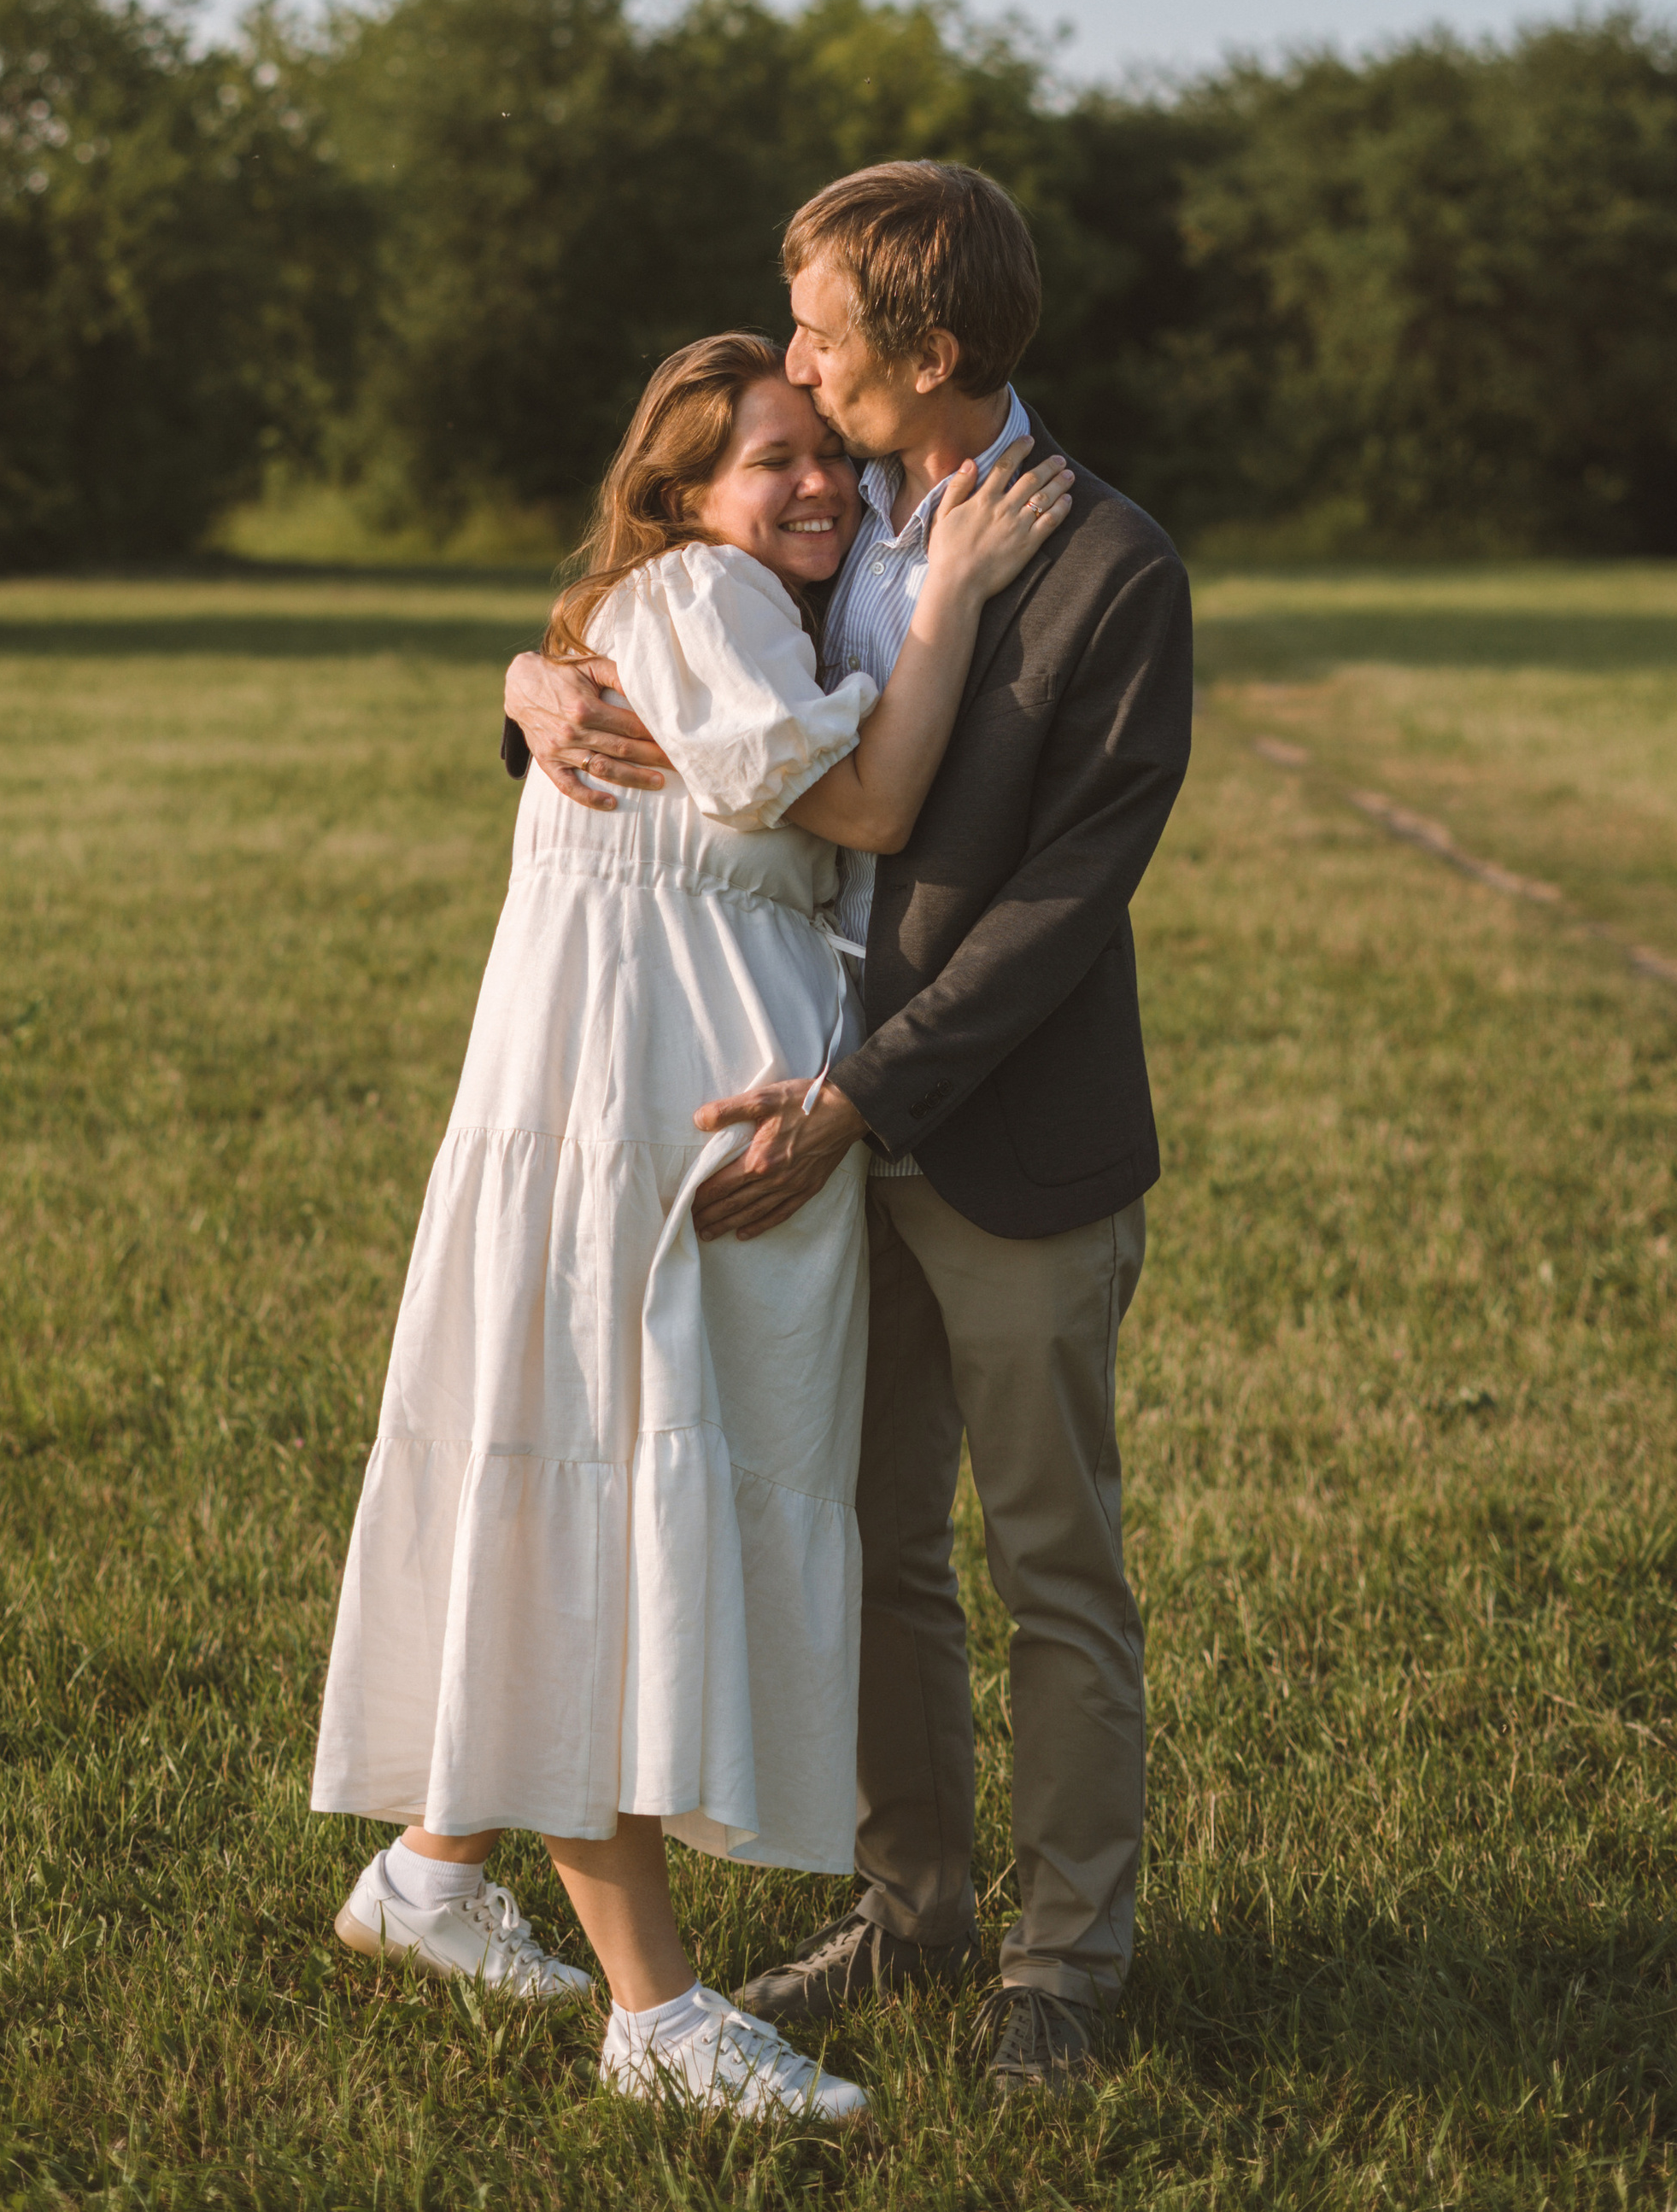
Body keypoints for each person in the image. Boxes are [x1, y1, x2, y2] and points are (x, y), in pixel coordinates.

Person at [313, 328, 1071, 2121]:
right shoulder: (703, 596)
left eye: (826, 455)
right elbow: (871, 802)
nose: (815, 486)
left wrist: (534, 668)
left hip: (651, 1126)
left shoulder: (699, 615)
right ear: (680, 493)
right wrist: (956, 590)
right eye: (767, 460)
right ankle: (655, 2020)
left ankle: (430, 1872)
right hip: (625, 1134)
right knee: (599, 1523)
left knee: (591, 1487)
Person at [505, 160, 1193, 2104]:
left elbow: (1066, 901)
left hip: (996, 1138)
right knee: (871, 1549)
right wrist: (531, 684)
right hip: (793, 1130)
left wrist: (864, 1099)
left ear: (930, 347)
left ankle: (1063, 1969)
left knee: (1049, 1564)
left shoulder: (1108, 566)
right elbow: (680, 669)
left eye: (820, 333)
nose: (795, 363)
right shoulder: (816, 518)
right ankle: (912, 1911)